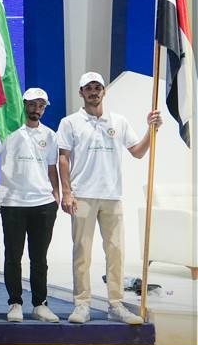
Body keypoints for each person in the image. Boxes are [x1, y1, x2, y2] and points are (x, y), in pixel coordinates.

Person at [56, 71, 160, 325]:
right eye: (88, 88)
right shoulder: (70, 122)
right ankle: (82, 304)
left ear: (104, 91)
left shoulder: (119, 121)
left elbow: (137, 152)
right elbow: (63, 158)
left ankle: (116, 304)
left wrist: (151, 130)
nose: (93, 92)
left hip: (112, 196)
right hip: (83, 196)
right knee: (82, 253)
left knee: (116, 252)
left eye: (97, 87)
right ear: (81, 93)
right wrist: (67, 192)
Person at [0, 88, 61, 323]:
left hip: (43, 204)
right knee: (13, 255)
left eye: (41, 105)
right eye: (32, 104)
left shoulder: (50, 135)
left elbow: (52, 169)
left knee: (39, 258)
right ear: (23, 105)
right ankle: (15, 303)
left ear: (45, 108)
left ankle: (40, 304)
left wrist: (57, 194)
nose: (36, 109)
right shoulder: (6, 130)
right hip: (13, 203)